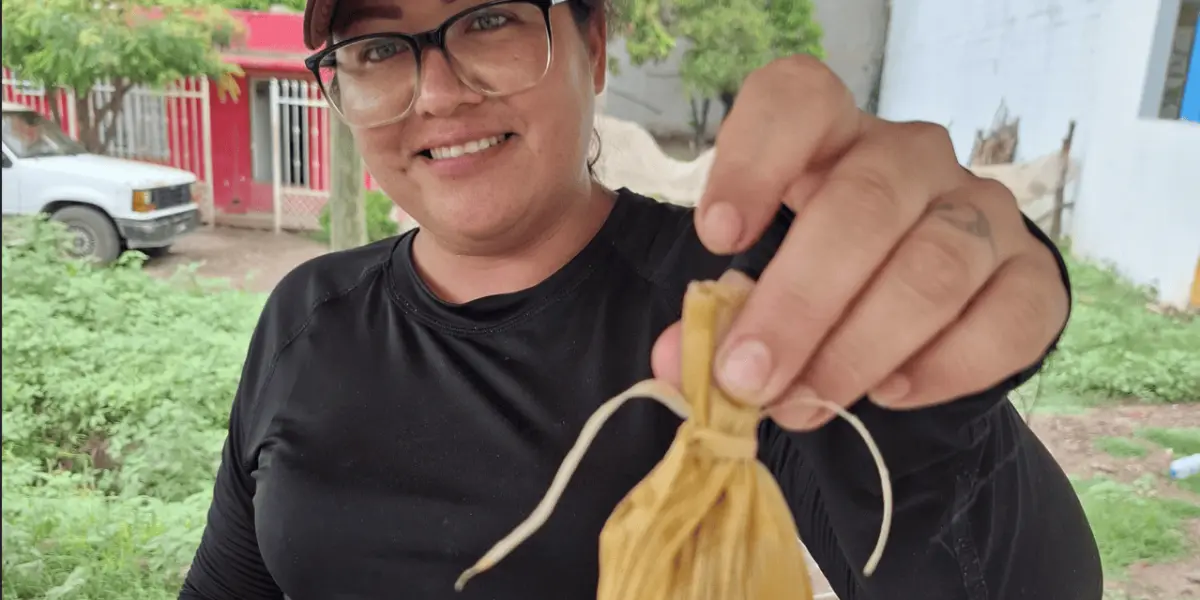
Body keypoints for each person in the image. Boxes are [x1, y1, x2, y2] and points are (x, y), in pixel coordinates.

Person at [179, 0, 1104, 598]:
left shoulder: (743, 308)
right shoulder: (307, 317)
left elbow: (1018, 586)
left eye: (489, 18)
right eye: (380, 46)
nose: (438, 91)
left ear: (592, 45)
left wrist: (936, 404)